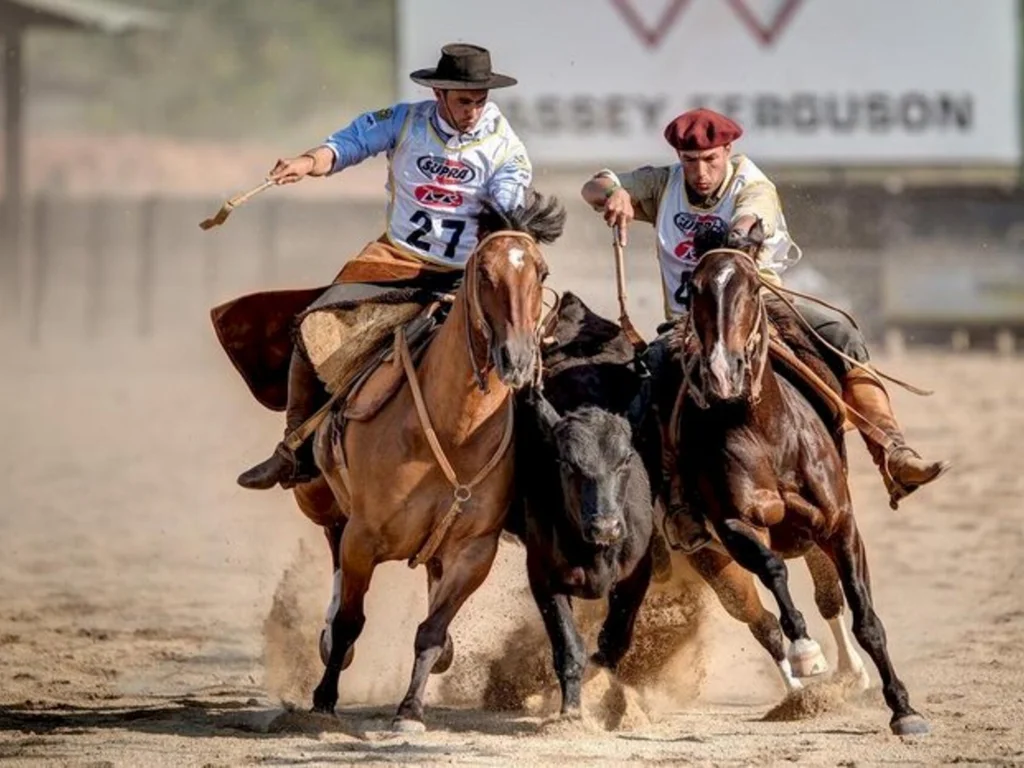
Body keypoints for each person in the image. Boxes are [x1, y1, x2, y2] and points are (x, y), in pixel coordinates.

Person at [580, 107, 950, 552]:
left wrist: (736, 236)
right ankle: (673, 501)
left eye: (711, 159)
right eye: (690, 160)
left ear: (729, 151)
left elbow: (749, 221)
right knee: (647, 380)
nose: (700, 171)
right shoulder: (663, 183)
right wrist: (616, 192)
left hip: (758, 306)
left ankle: (892, 454)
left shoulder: (752, 185)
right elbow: (593, 187)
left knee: (842, 333)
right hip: (687, 322)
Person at [237, 43, 532, 491]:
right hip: (396, 260)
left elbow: (509, 207)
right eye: (463, 100)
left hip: (469, 274)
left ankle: (530, 472)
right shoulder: (404, 121)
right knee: (313, 324)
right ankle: (294, 449)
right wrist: (307, 163)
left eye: (480, 100)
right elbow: (351, 142)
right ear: (439, 92)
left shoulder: (507, 149)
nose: (472, 110)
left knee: (529, 347)